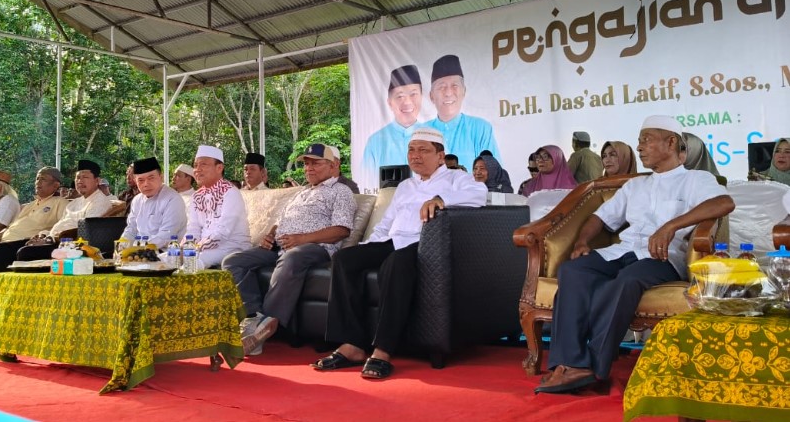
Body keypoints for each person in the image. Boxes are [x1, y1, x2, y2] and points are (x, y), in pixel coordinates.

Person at [535, 115, 734, 394]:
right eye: (639, 141)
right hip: (622, 251)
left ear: (671, 142)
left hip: (662, 258)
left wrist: (671, 226)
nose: (639, 147)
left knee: (627, 281)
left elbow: (724, 202)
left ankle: (595, 366)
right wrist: (581, 241)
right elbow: (600, 218)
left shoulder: (695, 180)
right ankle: (572, 364)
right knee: (573, 270)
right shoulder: (635, 185)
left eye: (646, 140)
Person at [311, 127, 487, 379]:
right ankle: (352, 344)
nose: (415, 156)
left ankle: (383, 350)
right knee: (345, 259)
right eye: (411, 150)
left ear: (440, 156)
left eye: (423, 150)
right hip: (394, 241)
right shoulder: (405, 185)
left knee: (396, 263)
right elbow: (387, 222)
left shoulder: (455, 179)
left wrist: (441, 198)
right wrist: (369, 246)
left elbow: (479, 194)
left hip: (424, 246)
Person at [223, 143, 357, 356]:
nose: (308, 168)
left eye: (316, 163)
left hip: (315, 248)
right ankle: (253, 318)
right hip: (280, 246)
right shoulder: (300, 193)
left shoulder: (341, 191)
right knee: (233, 261)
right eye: (306, 164)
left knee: (292, 257)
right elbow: (281, 221)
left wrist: (302, 239)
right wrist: (270, 234)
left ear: (335, 165)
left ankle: (265, 325)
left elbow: (342, 230)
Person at [0, 167, 69, 313]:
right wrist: (0, 233)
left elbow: (61, 226)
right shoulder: (30, 205)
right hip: (3, 239)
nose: (38, 182)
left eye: (43, 179)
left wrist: (45, 235)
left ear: (56, 185)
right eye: (37, 178)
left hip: (25, 243)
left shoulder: (60, 202)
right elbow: (12, 225)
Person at [17, 160, 114, 260]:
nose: (80, 181)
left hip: (72, 246)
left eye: (85, 177)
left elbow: (84, 231)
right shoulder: (73, 203)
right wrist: (43, 236)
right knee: (8, 247)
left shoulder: (100, 202)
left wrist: (50, 239)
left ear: (97, 181)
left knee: (24, 252)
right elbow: (60, 224)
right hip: (53, 240)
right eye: (77, 177)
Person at [424, 55, 500, 170]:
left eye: (454, 85)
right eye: (441, 87)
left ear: (464, 91)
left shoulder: (480, 129)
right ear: (431, 96)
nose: (448, 93)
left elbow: (494, 174)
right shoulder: (421, 133)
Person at [187, 145, 252, 268]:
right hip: (204, 247)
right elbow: (193, 228)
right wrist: (185, 246)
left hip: (231, 247)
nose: (197, 169)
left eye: (203, 165)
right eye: (195, 165)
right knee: (169, 257)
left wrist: (198, 247)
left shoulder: (230, 192)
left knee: (193, 261)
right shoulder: (196, 196)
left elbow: (223, 232)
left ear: (219, 168)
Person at [363, 65, 423, 173]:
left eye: (413, 94)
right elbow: (366, 179)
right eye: (400, 96)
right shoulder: (375, 141)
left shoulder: (435, 136)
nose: (407, 102)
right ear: (390, 102)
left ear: (422, 97)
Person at [120, 157, 186, 250]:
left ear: (161, 177)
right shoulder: (137, 200)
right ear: (136, 181)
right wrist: (122, 244)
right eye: (141, 180)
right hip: (138, 253)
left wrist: (138, 249)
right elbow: (131, 229)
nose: (146, 184)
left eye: (151, 178)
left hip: (167, 255)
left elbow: (166, 236)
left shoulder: (173, 199)